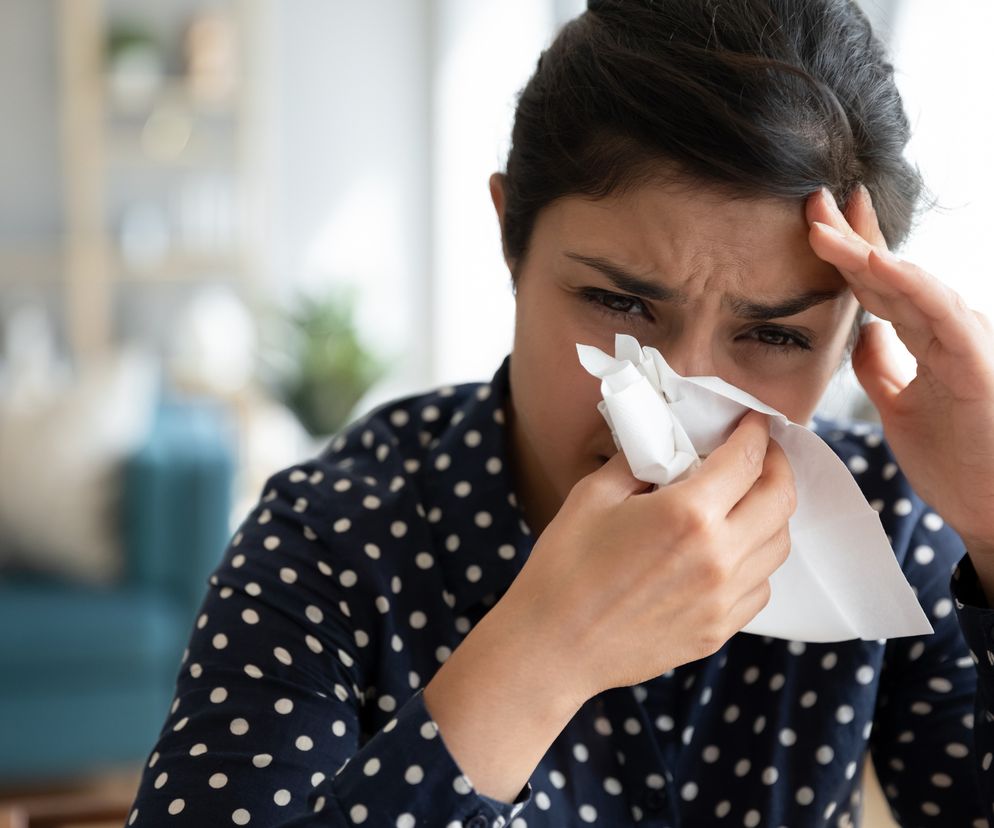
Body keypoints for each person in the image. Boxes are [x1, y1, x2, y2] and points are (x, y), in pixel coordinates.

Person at [125, 0, 994, 825]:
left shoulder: (888, 523)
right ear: (511, 238)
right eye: (618, 306)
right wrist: (543, 655)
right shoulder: (329, 539)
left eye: (773, 338)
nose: (672, 395)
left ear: (853, 335)